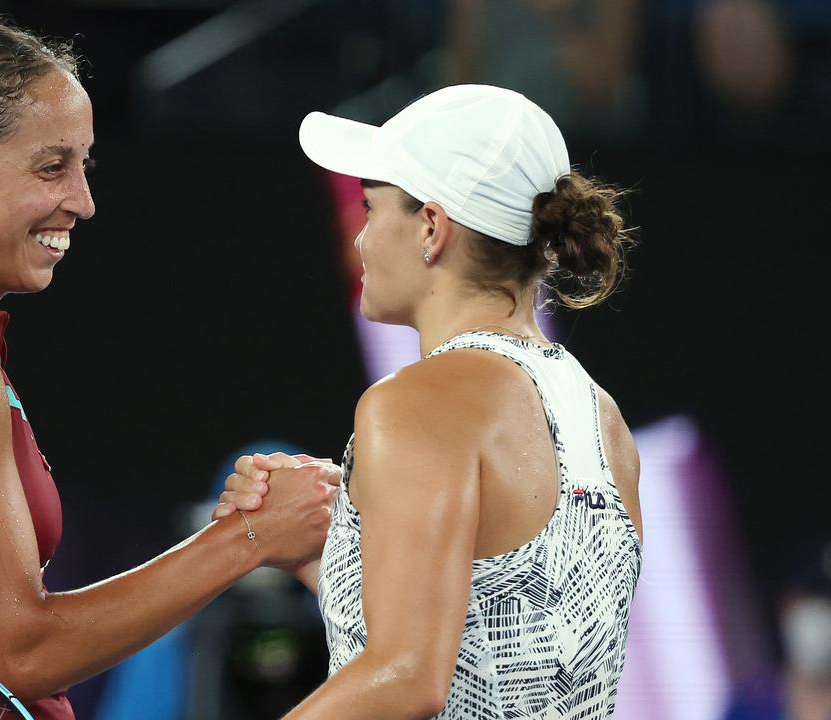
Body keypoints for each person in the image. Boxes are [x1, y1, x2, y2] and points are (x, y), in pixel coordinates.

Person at [0, 16, 338, 719]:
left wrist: (236, 538)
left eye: (83, 165)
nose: (82, 200)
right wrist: (247, 540)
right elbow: (17, 654)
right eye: (52, 167)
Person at [215, 84, 643, 718]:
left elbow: (408, 679)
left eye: (369, 208)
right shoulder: (602, 417)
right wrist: (327, 560)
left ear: (432, 228)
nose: (358, 238)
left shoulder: (414, 404)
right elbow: (516, 633)